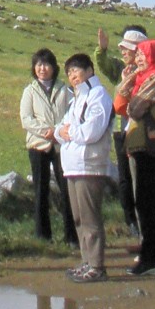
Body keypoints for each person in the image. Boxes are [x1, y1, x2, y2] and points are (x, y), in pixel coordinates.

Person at [115, 36, 155, 275]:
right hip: (145, 146)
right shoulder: (152, 76)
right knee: (152, 201)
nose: (138, 59)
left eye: (143, 55)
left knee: (148, 202)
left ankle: (153, 255)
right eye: (137, 55)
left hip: (149, 148)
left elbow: (132, 108)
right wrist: (130, 79)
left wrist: (129, 82)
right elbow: (122, 104)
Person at [56, 53, 116, 281]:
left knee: (90, 218)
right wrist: (63, 132)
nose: (73, 75)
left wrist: (69, 132)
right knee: (79, 218)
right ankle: (86, 261)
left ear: (89, 70)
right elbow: (59, 129)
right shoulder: (76, 98)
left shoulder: (98, 96)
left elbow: (92, 131)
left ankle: (98, 266)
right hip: (72, 165)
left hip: (89, 165)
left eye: (76, 70)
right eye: (69, 72)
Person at [19, 48, 77, 250]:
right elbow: (26, 119)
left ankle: (71, 235)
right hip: (38, 145)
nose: (42, 69)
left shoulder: (64, 89)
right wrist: (47, 131)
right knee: (40, 190)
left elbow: (72, 113)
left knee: (67, 190)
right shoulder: (30, 91)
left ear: (54, 67)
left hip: (61, 146)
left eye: (46, 64)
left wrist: (58, 131)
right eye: (38, 64)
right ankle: (43, 235)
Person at [97, 25, 150, 232]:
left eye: (127, 48)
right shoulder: (121, 70)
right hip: (123, 131)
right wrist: (101, 50)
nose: (123, 52)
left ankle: (147, 222)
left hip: (143, 133)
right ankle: (131, 221)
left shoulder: (149, 73)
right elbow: (104, 64)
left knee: (143, 178)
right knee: (125, 178)